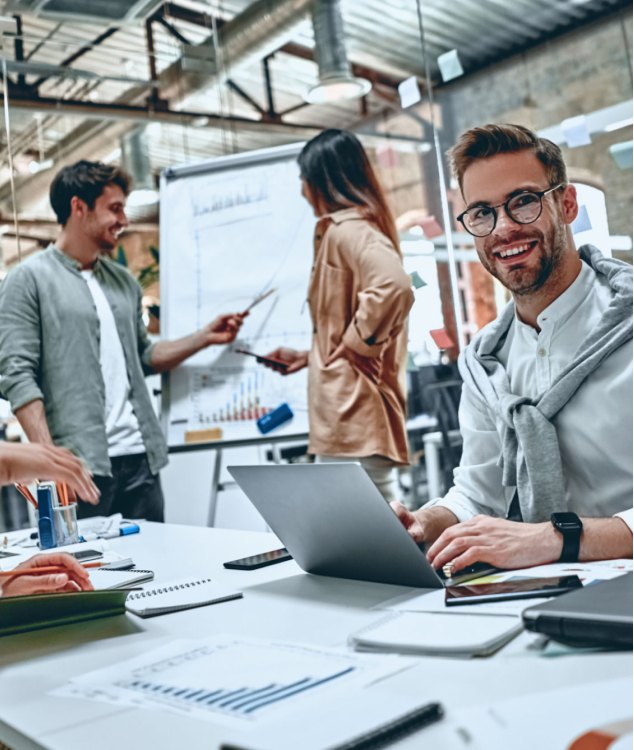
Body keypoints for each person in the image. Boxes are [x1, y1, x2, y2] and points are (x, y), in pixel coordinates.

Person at [393, 123, 632, 571]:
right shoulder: (485, 364)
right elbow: (479, 491)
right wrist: (423, 523)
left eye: (523, 201)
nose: (503, 229)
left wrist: (556, 539)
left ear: (567, 203)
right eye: (481, 213)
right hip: (543, 590)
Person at [0, 161, 245, 522]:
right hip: (80, 467)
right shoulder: (28, 280)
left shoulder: (123, 282)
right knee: (90, 577)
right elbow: (17, 375)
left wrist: (204, 338)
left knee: (156, 573)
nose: (124, 219)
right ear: (78, 207)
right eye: (114, 209)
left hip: (141, 462)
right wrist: (50, 461)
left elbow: (144, 356)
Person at [262, 129, 414, 501]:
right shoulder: (351, 230)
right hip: (347, 420)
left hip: (353, 417)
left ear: (320, 181)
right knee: (369, 533)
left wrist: (354, 347)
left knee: (375, 537)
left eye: (303, 178)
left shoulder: (349, 230)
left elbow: (394, 286)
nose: (301, 189)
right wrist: (310, 356)